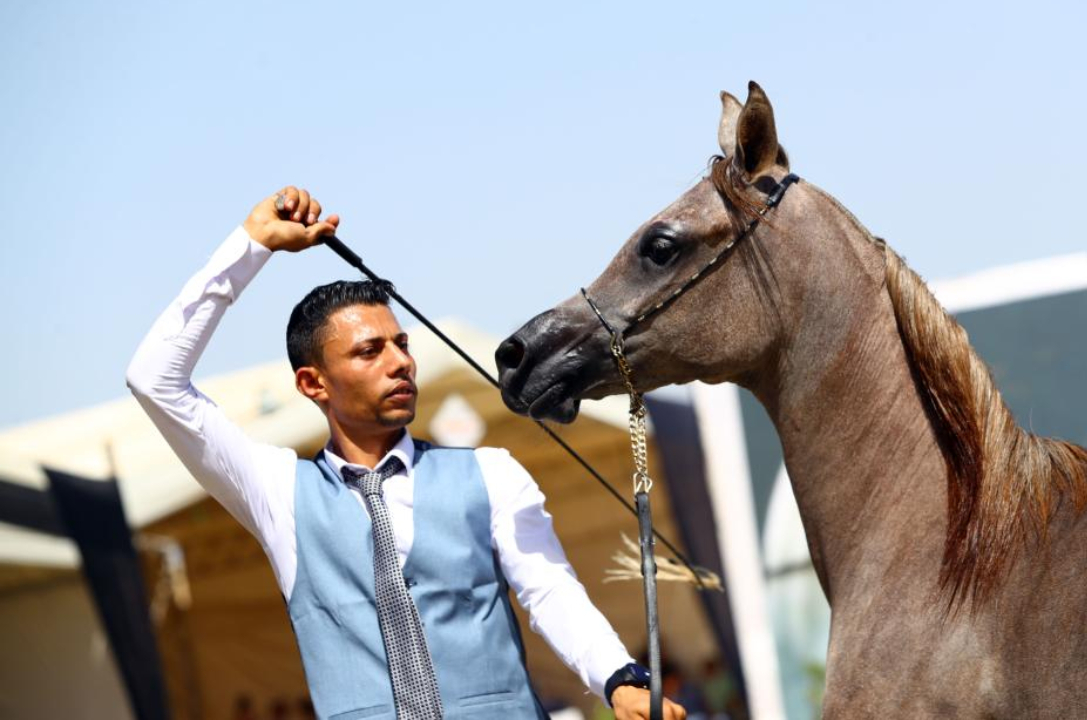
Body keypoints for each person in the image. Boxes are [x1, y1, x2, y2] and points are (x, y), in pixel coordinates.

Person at [126, 187, 686, 720]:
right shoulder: (275, 492)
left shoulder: (490, 472)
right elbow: (155, 380)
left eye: (402, 344)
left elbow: (550, 589)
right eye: (370, 351)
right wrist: (252, 244)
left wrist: (620, 679)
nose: (399, 363)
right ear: (312, 384)